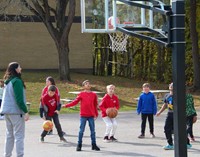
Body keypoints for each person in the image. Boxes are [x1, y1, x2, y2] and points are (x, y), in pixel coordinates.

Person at [0, 62, 29, 157]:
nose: (21, 68)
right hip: (16, 112)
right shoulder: (17, 81)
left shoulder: (7, 81)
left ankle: (7, 155)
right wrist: (25, 111)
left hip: (7, 112)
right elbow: (19, 100)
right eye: (19, 67)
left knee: (9, 136)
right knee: (19, 136)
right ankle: (20, 155)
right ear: (16, 69)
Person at [62, 80, 100, 151]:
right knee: (81, 131)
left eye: (89, 83)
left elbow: (95, 105)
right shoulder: (81, 94)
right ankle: (79, 145)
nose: (88, 85)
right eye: (86, 84)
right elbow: (75, 102)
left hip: (91, 115)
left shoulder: (94, 95)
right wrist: (66, 105)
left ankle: (94, 145)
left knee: (93, 131)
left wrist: (96, 114)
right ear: (83, 86)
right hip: (83, 115)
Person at [156, 83, 192, 150]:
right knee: (166, 128)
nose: (171, 86)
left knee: (180, 130)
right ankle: (170, 144)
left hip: (178, 115)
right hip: (170, 114)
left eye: (173, 85)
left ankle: (187, 143)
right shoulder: (167, 95)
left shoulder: (179, 95)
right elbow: (165, 105)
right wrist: (160, 112)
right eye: (170, 85)